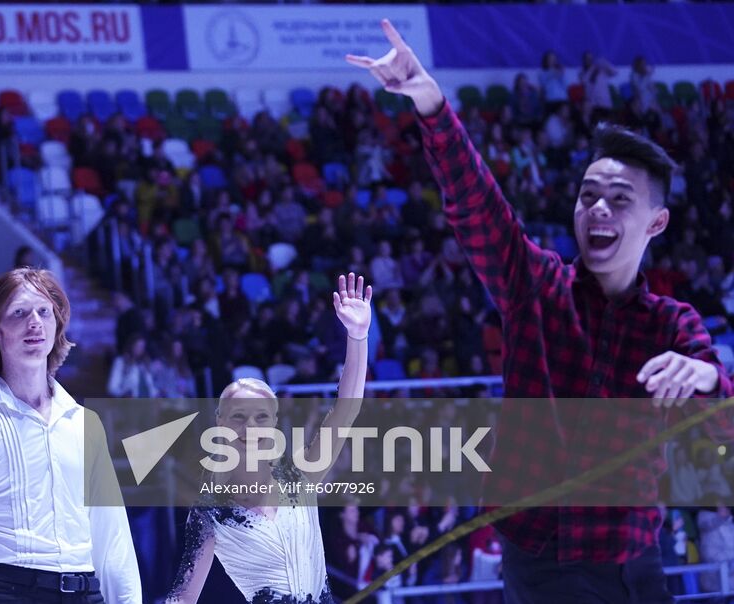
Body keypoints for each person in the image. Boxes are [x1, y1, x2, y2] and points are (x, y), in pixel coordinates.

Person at [347, 20, 734, 603]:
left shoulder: (673, 326)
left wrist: (709, 378)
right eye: (588, 195)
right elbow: (476, 206)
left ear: (656, 223)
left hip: (633, 564)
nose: (597, 209)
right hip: (539, 564)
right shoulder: (535, 284)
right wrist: (431, 107)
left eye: (620, 200)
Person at [0, 267, 140, 603]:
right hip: (7, 592)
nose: (34, 322)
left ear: (57, 324)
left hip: (86, 593)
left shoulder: (85, 423)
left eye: (44, 312)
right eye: (19, 313)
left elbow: (113, 539)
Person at [165, 274, 372, 604]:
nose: (251, 428)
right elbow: (182, 599)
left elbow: (345, 412)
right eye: (239, 417)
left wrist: (358, 337)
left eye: (261, 417)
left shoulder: (300, 476)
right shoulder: (210, 512)